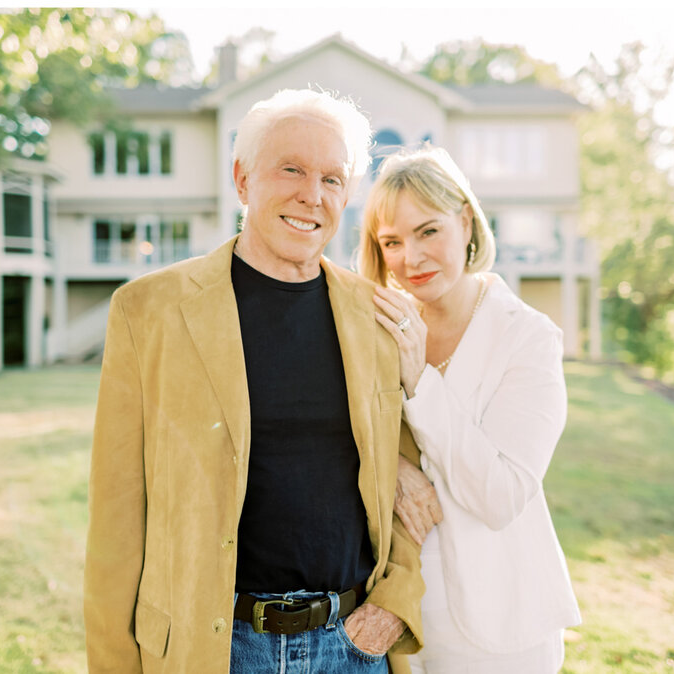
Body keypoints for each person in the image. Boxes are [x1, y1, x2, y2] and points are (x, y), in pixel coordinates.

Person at [84, 89, 425, 674]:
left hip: (353, 648)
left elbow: (407, 484)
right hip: (212, 650)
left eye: (332, 179)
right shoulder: (148, 312)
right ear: (242, 180)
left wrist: (395, 604)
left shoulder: (378, 317)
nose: (310, 196)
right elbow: (116, 519)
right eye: (291, 169)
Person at [358, 146, 581, 673]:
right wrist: (393, 469)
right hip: (401, 622)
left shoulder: (527, 338)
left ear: (464, 221)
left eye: (428, 231)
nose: (411, 258)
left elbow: (501, 496)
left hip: (501, 629)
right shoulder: (382, 328)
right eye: (392, 241)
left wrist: (421, 383)